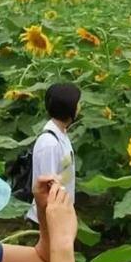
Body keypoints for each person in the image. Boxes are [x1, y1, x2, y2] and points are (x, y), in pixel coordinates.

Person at [27, 83, 81, 225]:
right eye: (77, 103)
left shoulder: (61, 133)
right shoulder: (49, 143)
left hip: (60, 212)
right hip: (48, 218)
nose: (80, 107)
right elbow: (48, 186)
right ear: (69, 108)